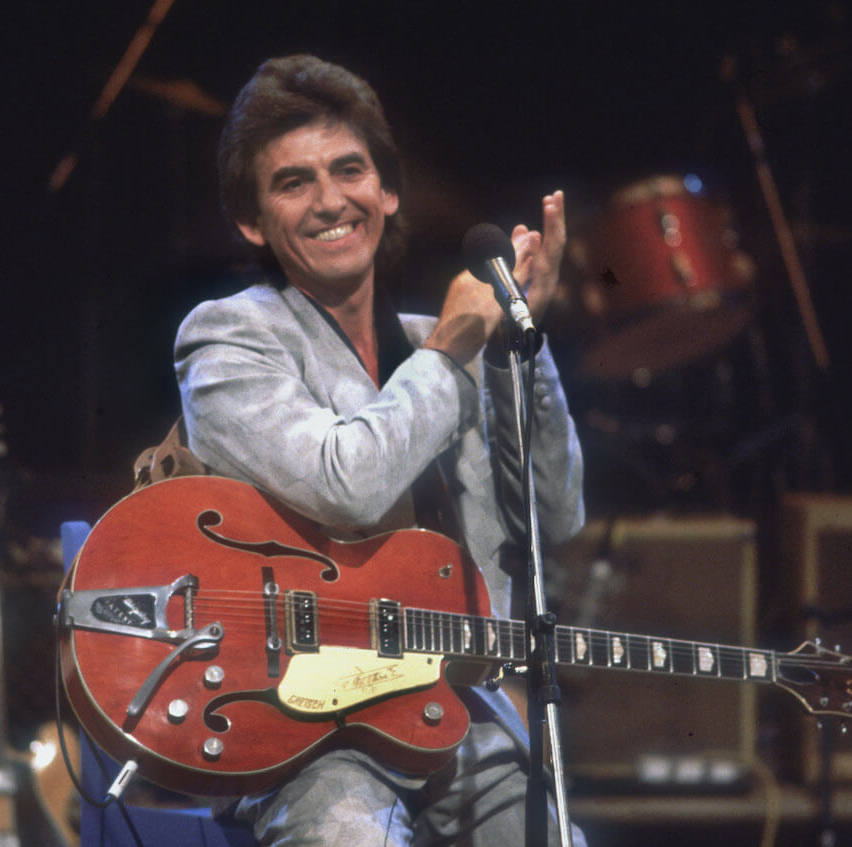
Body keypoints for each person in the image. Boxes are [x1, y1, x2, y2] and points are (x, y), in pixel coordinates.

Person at [174, 54, 586, 847]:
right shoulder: (230, 337)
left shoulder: (438, 346)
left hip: (467, 730)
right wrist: (453, 348)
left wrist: (520, 348)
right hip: (310, 742)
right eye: (293, 182)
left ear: (387, 192)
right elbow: (347, 484)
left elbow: (558, 513)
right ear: (253, 221)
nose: (331, 200)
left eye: (349, 169)